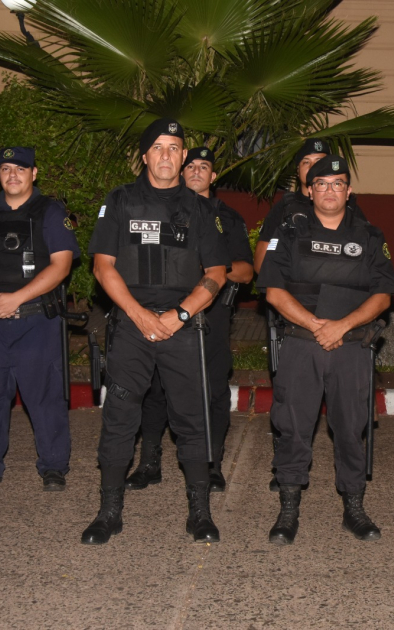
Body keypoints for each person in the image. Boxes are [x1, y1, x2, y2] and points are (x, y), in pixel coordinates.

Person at [83, 119, 228, 545]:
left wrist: (178, 316)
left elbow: (216, 273)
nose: (166, 155)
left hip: (182, 326)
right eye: (158, 148)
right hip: (131, 325)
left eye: (174, 148)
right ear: (145, 155)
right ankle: (109, 512)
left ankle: (199, 513)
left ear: (184, 157)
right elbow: (102, 266)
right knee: (119, 417)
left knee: (191, 417)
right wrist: (139, 315)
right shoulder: (121, 201)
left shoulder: (201, 210)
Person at [257, 154, 394, 544]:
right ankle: (288, 511)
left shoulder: (370, 235)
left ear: (349, 191)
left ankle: (353, 508)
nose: (330, 190)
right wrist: (315, 324)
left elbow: (383, 295)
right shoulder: (289, 233)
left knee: (351, 429)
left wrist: (342, 325)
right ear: (309, 190)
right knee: (293, 428)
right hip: (303, 344)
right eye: (321, 184)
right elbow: (273, 289)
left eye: (338, 183)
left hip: (351, 348)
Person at [125, 146, 253, 493]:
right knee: (154, 390)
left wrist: (211, 273)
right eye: (191, 165)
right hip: (162, 313)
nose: (197, 171)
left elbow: (245, 268)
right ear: (181, 170)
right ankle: (149, 462)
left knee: (211, 390)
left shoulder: (227, 217)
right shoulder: (158, 208)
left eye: (205, 166)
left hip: (210, 317)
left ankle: (210, 465)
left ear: (213, 176)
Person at [0, 147, 79, 492]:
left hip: (35, 320)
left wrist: (16, 298)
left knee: (44, 396)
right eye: (6, 168)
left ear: (33, 173)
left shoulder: (50, 211)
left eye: (20, 169)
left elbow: (61, 264)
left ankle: (54, 466)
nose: (13, 175)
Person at [254, 137, 367, 492]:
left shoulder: (352, 210)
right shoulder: (284, 211)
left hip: (340, 325)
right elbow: (263, 263)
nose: (315, 169)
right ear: (300, 173)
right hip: (293, 315)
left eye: (323, 162)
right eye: (308, 163)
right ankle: (286, 469)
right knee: (291, 404)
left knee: (346, 415)